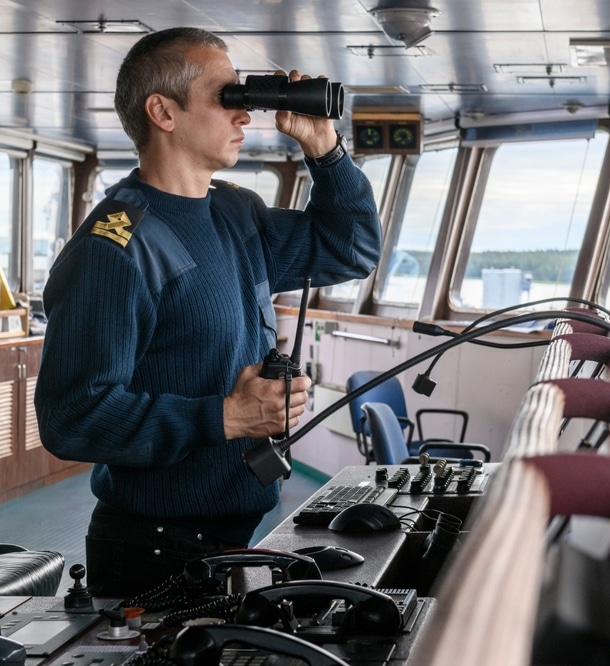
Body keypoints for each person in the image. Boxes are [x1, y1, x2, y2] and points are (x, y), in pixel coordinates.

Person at [34, 26, 381, 598]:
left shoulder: (235, 212)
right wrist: (226, 417)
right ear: (163, 112)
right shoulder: (114, 247)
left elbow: (352, 248)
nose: (244, 115)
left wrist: (324, 148)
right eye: (228, 97)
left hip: (235, 534)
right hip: (155, 548)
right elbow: (72, 416)